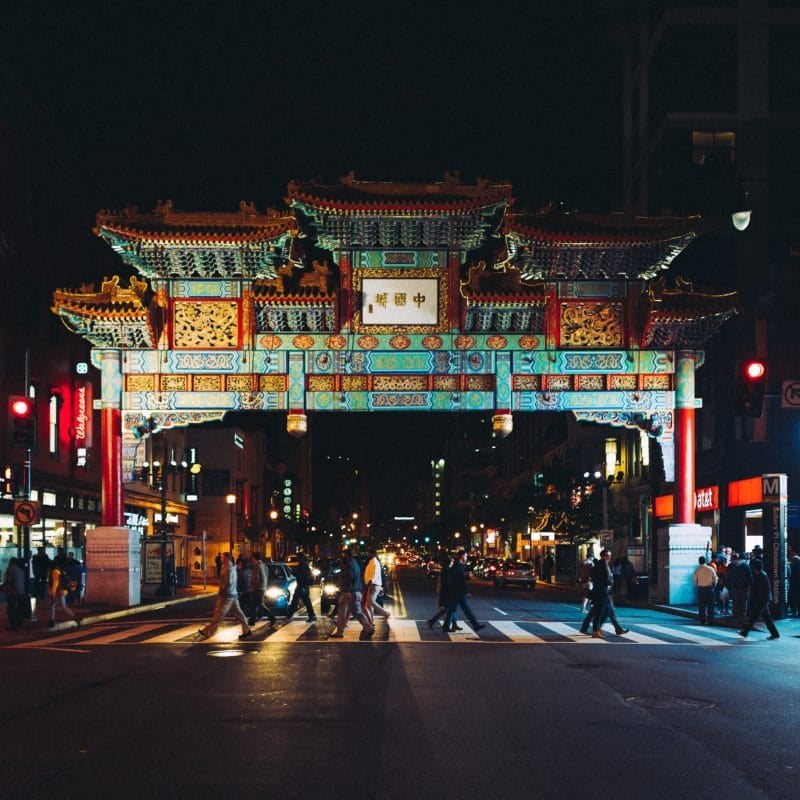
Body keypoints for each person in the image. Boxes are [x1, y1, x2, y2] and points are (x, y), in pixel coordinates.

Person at [197, 551, 252, 640]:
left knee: (219, 615)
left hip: (227, 596)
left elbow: (228, 582)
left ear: (226, 558)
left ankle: (208, 632)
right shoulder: (230, 567)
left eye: (222, 557)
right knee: (239, 614)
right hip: (232, 595)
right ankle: (247, 630)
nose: (221, 559)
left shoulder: (228, 568)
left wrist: (222, 590)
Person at [579, 549, 629, 638]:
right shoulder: (603, 565)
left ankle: (596, 629)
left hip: (602, 591)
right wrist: (610, 582)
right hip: (602, 592)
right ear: (603, 556)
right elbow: (606, 579)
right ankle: (596, 630)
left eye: (609, 555)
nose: (609, 557)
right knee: (601, 612)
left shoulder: (600, 565)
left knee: (604, 611)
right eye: (607, 555)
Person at [330, 549, 373, 639]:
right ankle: (368, 627)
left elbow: (348, 578)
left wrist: (347, 591)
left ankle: (339, 633)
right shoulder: (355, 564)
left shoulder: (348, 565)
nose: (341, 557)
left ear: (346, 555)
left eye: (343, 554)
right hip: (357, 591)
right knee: (357, 612)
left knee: (342, 612)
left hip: (349, 592)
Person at [443, 550, 485, 633]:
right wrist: (465, 591)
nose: (466, 558)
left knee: (452, 609)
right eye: (465, 556)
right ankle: (475, 625)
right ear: (461, 556)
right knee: (465, 609)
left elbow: (458, 579)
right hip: (458, 592)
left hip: (456, 591)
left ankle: (445, 626)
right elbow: (460, 580)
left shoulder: (457, 565)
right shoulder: (458, 566)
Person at [738, 558, 780, 640]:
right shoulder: (760, 575)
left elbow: (764, 590)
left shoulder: (762, 576)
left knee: (754, 617)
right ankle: (775, 634)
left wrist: (759, 601)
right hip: (762, 600)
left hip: (761, 601)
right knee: (766, 618)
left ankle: (745, 632)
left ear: (754, 567)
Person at [428, 553, 459, 629]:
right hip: (446, 593)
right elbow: (447, 583)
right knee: (448, 609)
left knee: (451, 609)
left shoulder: (445, 570)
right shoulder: (447, 570)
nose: (452, 563)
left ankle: (454, 624)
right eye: (451, 561)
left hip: (445, 592)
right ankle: (432, 621)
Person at [362, 547, 390, 627]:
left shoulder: (374, 561)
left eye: (368, 553)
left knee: (370, 602)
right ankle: (370, 621)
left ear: (372, 554)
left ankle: (386, 613)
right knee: (368, 604)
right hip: (373, 584)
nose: (367, 554)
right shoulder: (372, 561)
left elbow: (374, 573)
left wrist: (371, 581)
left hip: (373, 584)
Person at [247, 553, 277, 626]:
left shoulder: (257, 566)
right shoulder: (263, 565)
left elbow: (256, 578)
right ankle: (252, 620)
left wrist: (252, 586)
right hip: (261, 587)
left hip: (258, 588)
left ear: (255, 558)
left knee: (259, 604)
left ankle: (272, 618)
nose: (252, 560)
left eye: (252, 558)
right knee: (255, 604)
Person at [48, 561, 79, 628]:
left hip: (59, 591)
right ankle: (75, 617)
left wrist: (53, 592)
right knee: (59, 605)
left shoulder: (55, 571)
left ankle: (52, 620)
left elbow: (55, 583)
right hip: (63, 591)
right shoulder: (61, 571)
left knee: (54, 605)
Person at [287, 552, 317, 623]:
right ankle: (312, 616)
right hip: (304, 586)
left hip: (301, 586)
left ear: (300, 557)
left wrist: (292, 571)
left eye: (297, 556)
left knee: (295, 600)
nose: (296, 558)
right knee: (306, 602)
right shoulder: (305, 565)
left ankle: (290, 614)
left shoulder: (301, 565)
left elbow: (298, 575)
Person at [3, 557, 27, 630]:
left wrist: (4, 587)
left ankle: (13, 625)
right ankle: (18, 621)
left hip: (13, 591)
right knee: (18, 607)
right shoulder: (20, 570)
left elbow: (9, 581)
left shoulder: (11, 569)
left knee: (10, 608)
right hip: (21, 591)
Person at [692, 556, 718, 625]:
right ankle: (710, 621)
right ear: (705, 561)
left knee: (701, 606)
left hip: (701, 589)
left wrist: (698, 586)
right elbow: (715, 578)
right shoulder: (710, 568)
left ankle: (702, 620)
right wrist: (714, 585)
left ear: (699, 561)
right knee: (710, 605)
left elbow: (695, 581)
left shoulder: (697, 570)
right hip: (710, 588)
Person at [727, 551, 753, 619]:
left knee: (735, 601)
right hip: (744, 587)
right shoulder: (746, 566)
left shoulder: (731, 566)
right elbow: (749, 576)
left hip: (734, 587)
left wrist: (728, 586)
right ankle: (742, 615)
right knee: (743, 602)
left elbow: (728, 577)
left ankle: (735, 614)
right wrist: (750, 585)